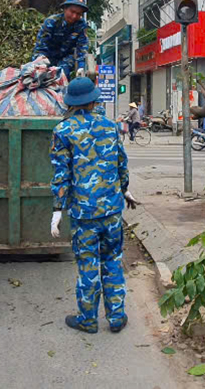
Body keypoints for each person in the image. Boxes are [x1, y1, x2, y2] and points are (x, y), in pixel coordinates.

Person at [49, 77, 138, 333]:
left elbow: (60, 175)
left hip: (84, 213)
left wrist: (57, 209)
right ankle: (117, 317)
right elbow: (122, 162)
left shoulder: (63, 131)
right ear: (93, 100)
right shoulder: (110, 126)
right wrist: (125, 190)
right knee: (112, 261)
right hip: (111, 210)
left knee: (88, 265)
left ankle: (88, 319)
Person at [32, 0, 89, 79]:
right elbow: (41, 47)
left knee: (62, 74)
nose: (74, 16)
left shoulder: (81, 25)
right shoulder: (51, 22)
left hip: (65, 58)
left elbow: (82, 48)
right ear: (65, 9)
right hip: (46, 56)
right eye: (72, 12)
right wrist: (41, 64)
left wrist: (81, 67)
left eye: (78, 14)